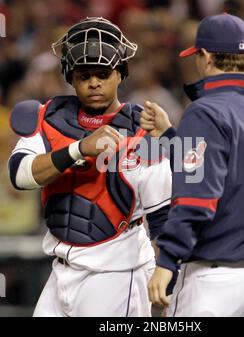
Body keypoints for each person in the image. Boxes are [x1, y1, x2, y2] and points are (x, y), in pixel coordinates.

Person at [8, 17, 172, 317]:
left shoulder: (142, 129)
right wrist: (79, 149)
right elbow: (19, 174)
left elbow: (163, 217)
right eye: (84, 75)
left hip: (118, 274)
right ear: (70, 77)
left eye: (103, 73)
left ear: (120, 74)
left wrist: (167, 273)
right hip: (60, 271)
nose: (94, 82)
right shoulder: (48, 117)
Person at [142, 14, 244, 317]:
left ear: (206, 57)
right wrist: (172, 137)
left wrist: (167, 260)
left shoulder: (205, 111)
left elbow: (197, 196)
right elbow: (219, 170)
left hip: (216, 281)